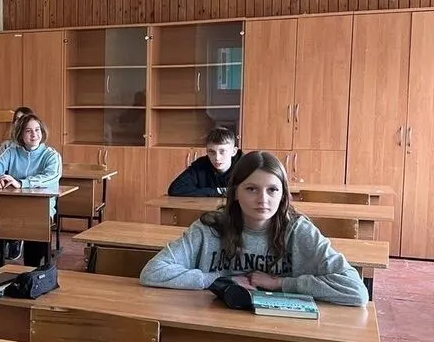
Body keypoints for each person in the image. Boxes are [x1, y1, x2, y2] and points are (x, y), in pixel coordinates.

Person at [140, 151, 368, 306]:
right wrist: (218, 279)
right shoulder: (209, 228)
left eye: (272, 190)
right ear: (235, 193)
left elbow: (355, 291)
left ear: (283, 195)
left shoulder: (298, 230)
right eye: (251, 189)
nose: (263, 199)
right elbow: (153, 272)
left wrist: (281, 283)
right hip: (216, 327)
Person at [0, 113, 62, 267]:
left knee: (34, 242)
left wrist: (22, 183)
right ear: (20, 134)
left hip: (40, 209)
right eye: (28, 131)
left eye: (37, 130)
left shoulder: (51, 155)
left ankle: (33, 273)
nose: (34, 134)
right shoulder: (11, 152)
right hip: (12, 208)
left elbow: (51, 176)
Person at [168, 127, 243, 196]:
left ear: (233, 152)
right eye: (212, 152)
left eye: (222, 151)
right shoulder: (200, 165)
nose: (217, 158)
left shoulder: (245, 166)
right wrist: (218, 191)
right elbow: (175, 189)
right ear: (207, 151)